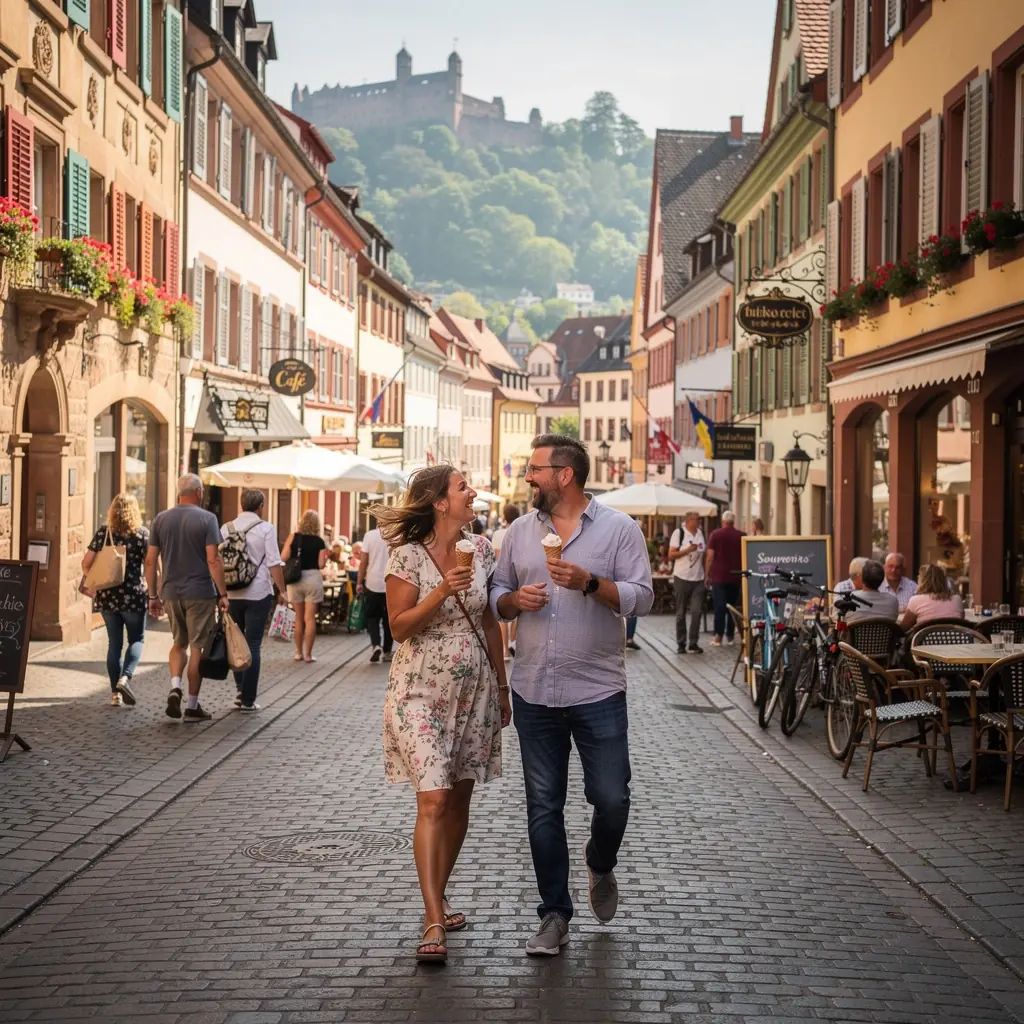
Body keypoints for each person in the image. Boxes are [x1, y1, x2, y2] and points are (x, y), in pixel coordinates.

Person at [492, 434, 653, 957]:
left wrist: (590, 583)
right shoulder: (518, 531)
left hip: (598, 689)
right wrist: (515, 599)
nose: (527, 477)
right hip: (536, 688)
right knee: (543, 806)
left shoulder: (619, 529)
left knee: (612, 797)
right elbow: (496, 594)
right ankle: (555, 915)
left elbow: (643, 598)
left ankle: (600, 861)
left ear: (564, 474)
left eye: (534, 469)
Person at [375, 465, 510, 965]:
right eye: (463, 488)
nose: (472, 493)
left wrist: (502, 686)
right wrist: (441, 590)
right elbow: (399, 627)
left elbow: (489, 622)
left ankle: (439, 893)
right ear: (438, 501)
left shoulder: (483, 548)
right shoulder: (406, 556)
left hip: (473, 693)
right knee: (432, 798)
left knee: (457, 802)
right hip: (418, 693)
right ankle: (434, 920)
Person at [145, 474, 229, 722]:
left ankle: (175, 686)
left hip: (171, 592)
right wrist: (223, 593)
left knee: (178, 643)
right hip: (201, 593)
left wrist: (152, 595)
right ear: (199, 492)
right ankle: (192, 706)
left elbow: (150, 560)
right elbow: (213, 559)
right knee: (196, 648)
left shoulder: (160, 519)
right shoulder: (208, 519)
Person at [221, 489, 287, 712]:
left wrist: (219, 592)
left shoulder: (226, 528)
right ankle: (249, 699)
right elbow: (274, 563)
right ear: (261, 506)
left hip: (231, 593)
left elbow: (216, 560)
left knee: (234, 642)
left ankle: (240, 691)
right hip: (258, 592)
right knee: (253, 644)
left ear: (241, 505)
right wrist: (282, 591)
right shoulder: (266, 528)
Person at [81, 493, 150, 707]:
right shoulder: (142, 535)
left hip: (108, 597)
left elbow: (86, 563)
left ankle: (115, 695)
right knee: (137, 640)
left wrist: (96, 578)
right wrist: (153, 590)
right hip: (133, 597)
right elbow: (149, 566)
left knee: (114, 643)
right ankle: (125, 677)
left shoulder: (104, 533)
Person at [281, 510, 328, 663]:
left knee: (298, 618)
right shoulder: (320, 541)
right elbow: (321, 564)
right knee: (310, 619)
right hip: (313, 578)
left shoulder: (293, 537)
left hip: (295, 579)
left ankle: (298, 653)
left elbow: (284, 557)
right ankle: (308, 655)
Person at [705, 511, 745, 647]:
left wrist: (707, 574)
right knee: (732, 607)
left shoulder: (716, 535)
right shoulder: (741, 536)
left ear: (723, 521)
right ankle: (730, 636)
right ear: (733, 522)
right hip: (735, 576)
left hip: (719, 576)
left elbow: (710, 556)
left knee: (719, 606)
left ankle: (718, 636)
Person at [669, 510, 706, 654]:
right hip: (682, 577)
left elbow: (704, 554)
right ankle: (681, 643)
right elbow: (671, 554)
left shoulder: (701, 533)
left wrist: (706, 574)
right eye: (697, 519)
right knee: (681, 612)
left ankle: (693, 643)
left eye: (699, 519)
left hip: (698, 578)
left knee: (697, 611)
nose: (699, 522)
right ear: (689, 521)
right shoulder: (679, 533)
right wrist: (688, 549)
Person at [358, 519, 393, 664]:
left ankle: (375, 645)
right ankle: (387, 651)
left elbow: (363, 561)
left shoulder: (369, 536)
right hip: (391, 583)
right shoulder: (395, 536)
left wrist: (359, 582)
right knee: (388, 619)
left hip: (372, 582)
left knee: (372, 617)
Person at [492, 504, 521, 659]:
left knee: (503, 617)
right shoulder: (520, 532)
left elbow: (498, 556)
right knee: (518, 610)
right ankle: (513, 642)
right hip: (517, 572)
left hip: (502, 572)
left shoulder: (498, 533)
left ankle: (505, 650)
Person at [900, 564, 965, 630]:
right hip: (953, 639)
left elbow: (904, 627)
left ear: (922, 580)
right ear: (943, 579)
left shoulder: (915, 600)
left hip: (925, 639)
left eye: (919, 576)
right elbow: (961, 623)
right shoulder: (957, 600)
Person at [844, 558, 899, 624]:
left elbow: (839, 620)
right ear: (882, 579)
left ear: (862, 578)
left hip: (857, 634)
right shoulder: (892, 600)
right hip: (883, 634)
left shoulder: (849, 599)